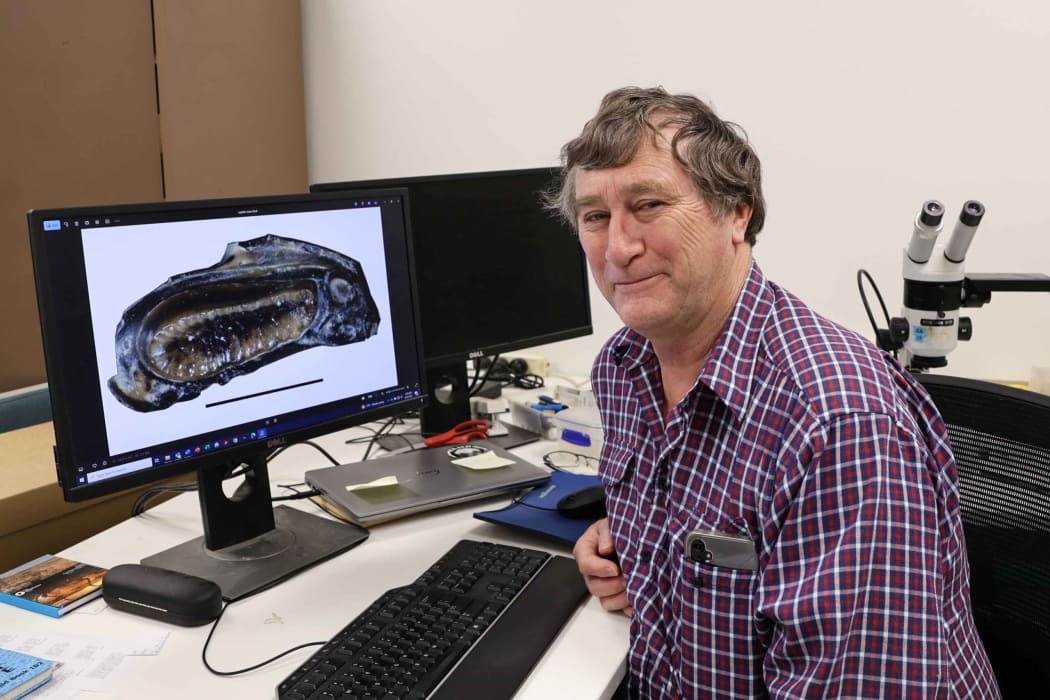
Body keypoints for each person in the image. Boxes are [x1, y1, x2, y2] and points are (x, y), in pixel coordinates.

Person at [547, 86, 1000, 698]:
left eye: (649, 204)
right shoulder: (624, 368)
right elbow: (719, 537)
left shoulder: (837, 422)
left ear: (736, 212)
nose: (619, 248)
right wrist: (626, 545)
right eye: (596, 216)